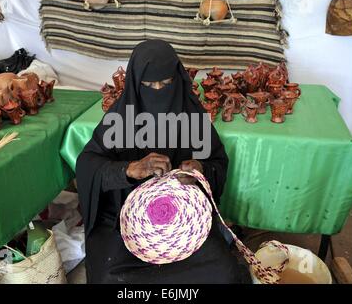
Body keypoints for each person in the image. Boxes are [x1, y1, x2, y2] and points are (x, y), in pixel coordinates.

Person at [76, 39, 251, 283]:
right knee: (111, 278)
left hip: (184, 218)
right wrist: (129, 170)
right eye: (148, 85)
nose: (158, 90)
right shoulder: (122, 116)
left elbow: (217, 162)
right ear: (136, 85)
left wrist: (201, 169)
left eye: (166, 83)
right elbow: (87, 164)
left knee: (223, 272)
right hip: (125, 217)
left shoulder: (191, 114)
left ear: (177, 80)